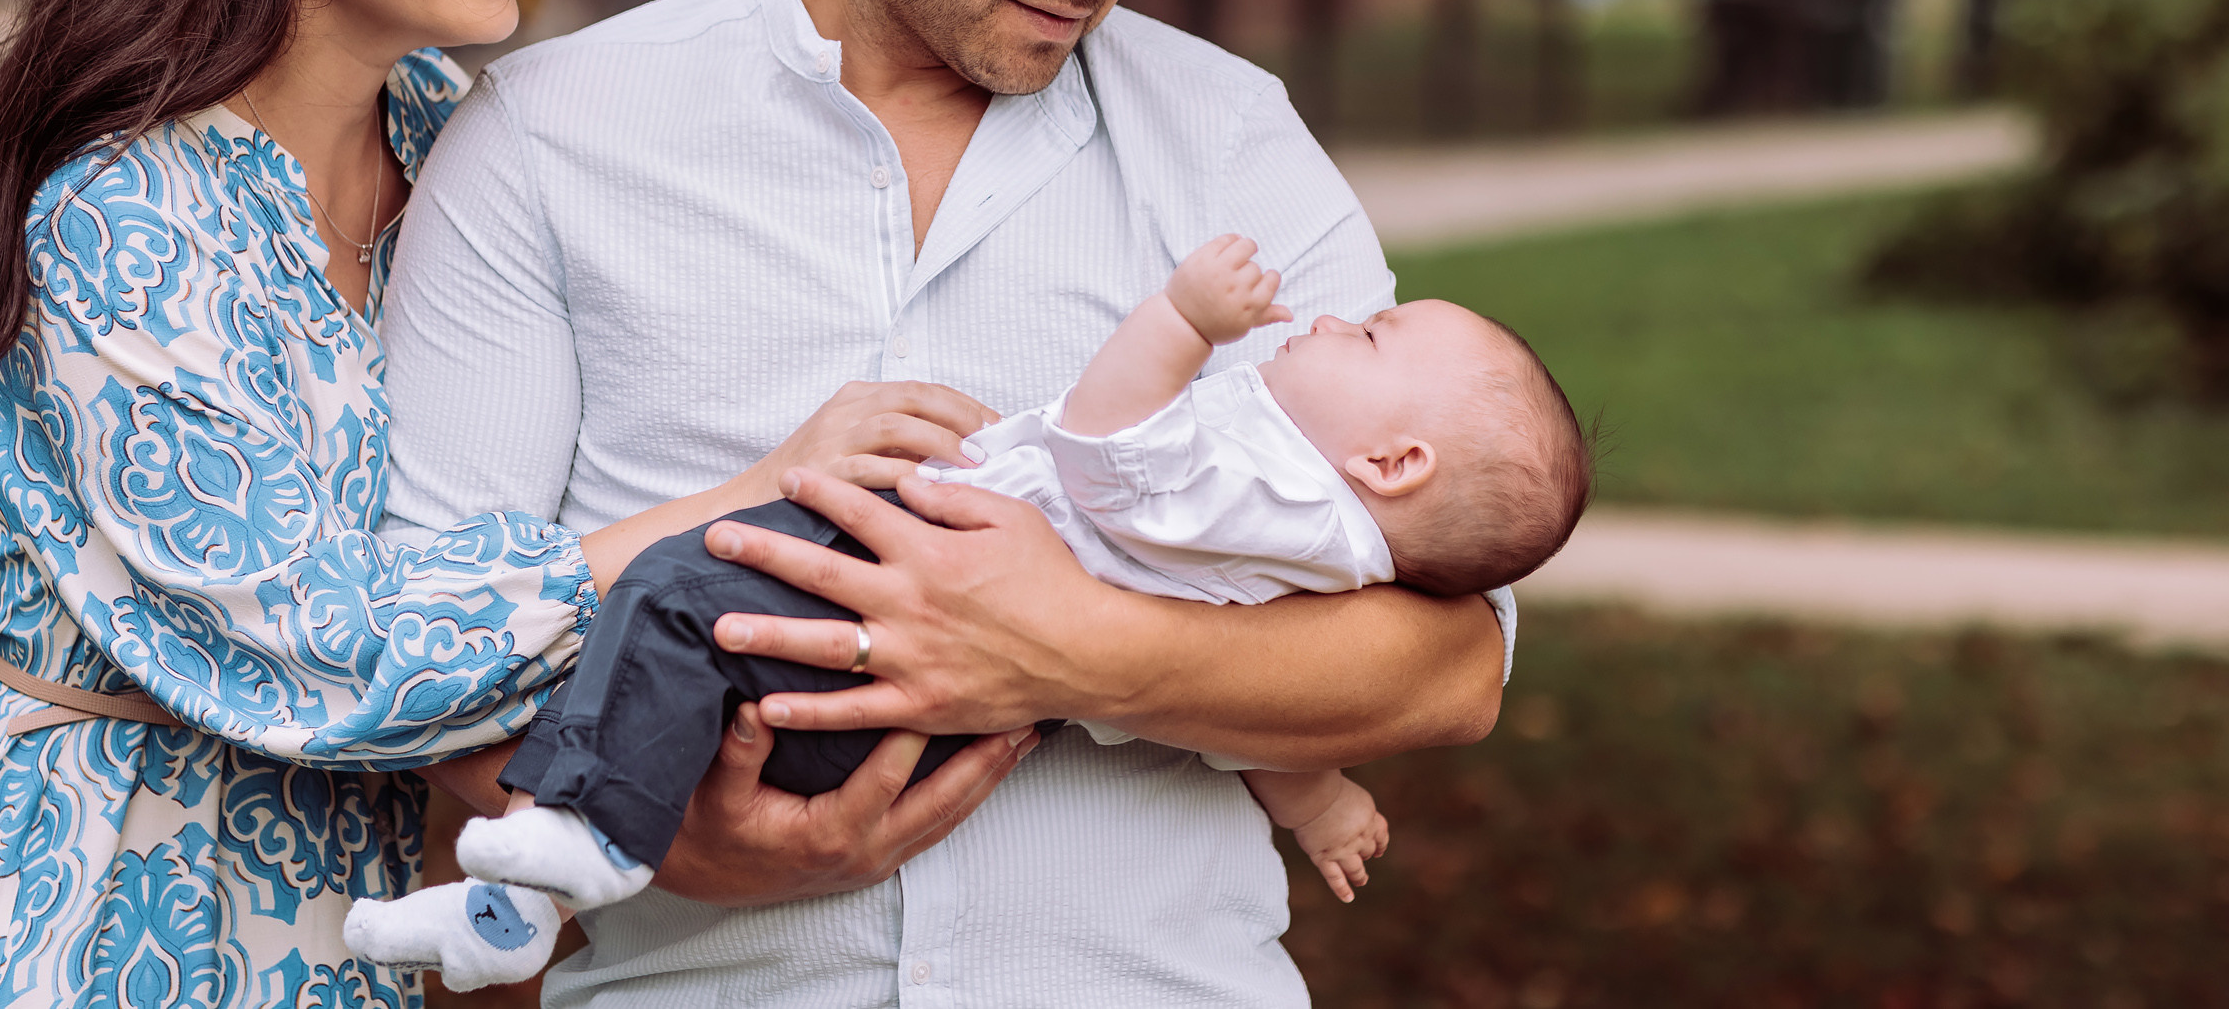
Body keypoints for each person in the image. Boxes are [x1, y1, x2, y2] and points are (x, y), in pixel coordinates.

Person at [381, 0, 1516, 1007]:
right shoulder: (549, 139)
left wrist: (1061, 647)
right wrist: (687, 845)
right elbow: (424, 642)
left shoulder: (1233, 142)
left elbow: (1450, 665)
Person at [0, 0, 979, 1008]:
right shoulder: (115, 217)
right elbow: (318, 648)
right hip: (78, 919)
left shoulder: (456, 136)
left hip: (344, 929)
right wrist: (740, 502)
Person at [353, 234, 1591, 988]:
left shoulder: (1264, 479)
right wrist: (1318, 801)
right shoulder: (1319, 552)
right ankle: (520, 899)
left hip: (880, 654)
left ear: (1394, 463)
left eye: (1366, 335)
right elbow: (1257, 720)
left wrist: (1179, 323)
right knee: (661, 667)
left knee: (675, 599)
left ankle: (567, 859)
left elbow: (1109, 448)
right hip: (921, 722)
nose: (1328, 316)